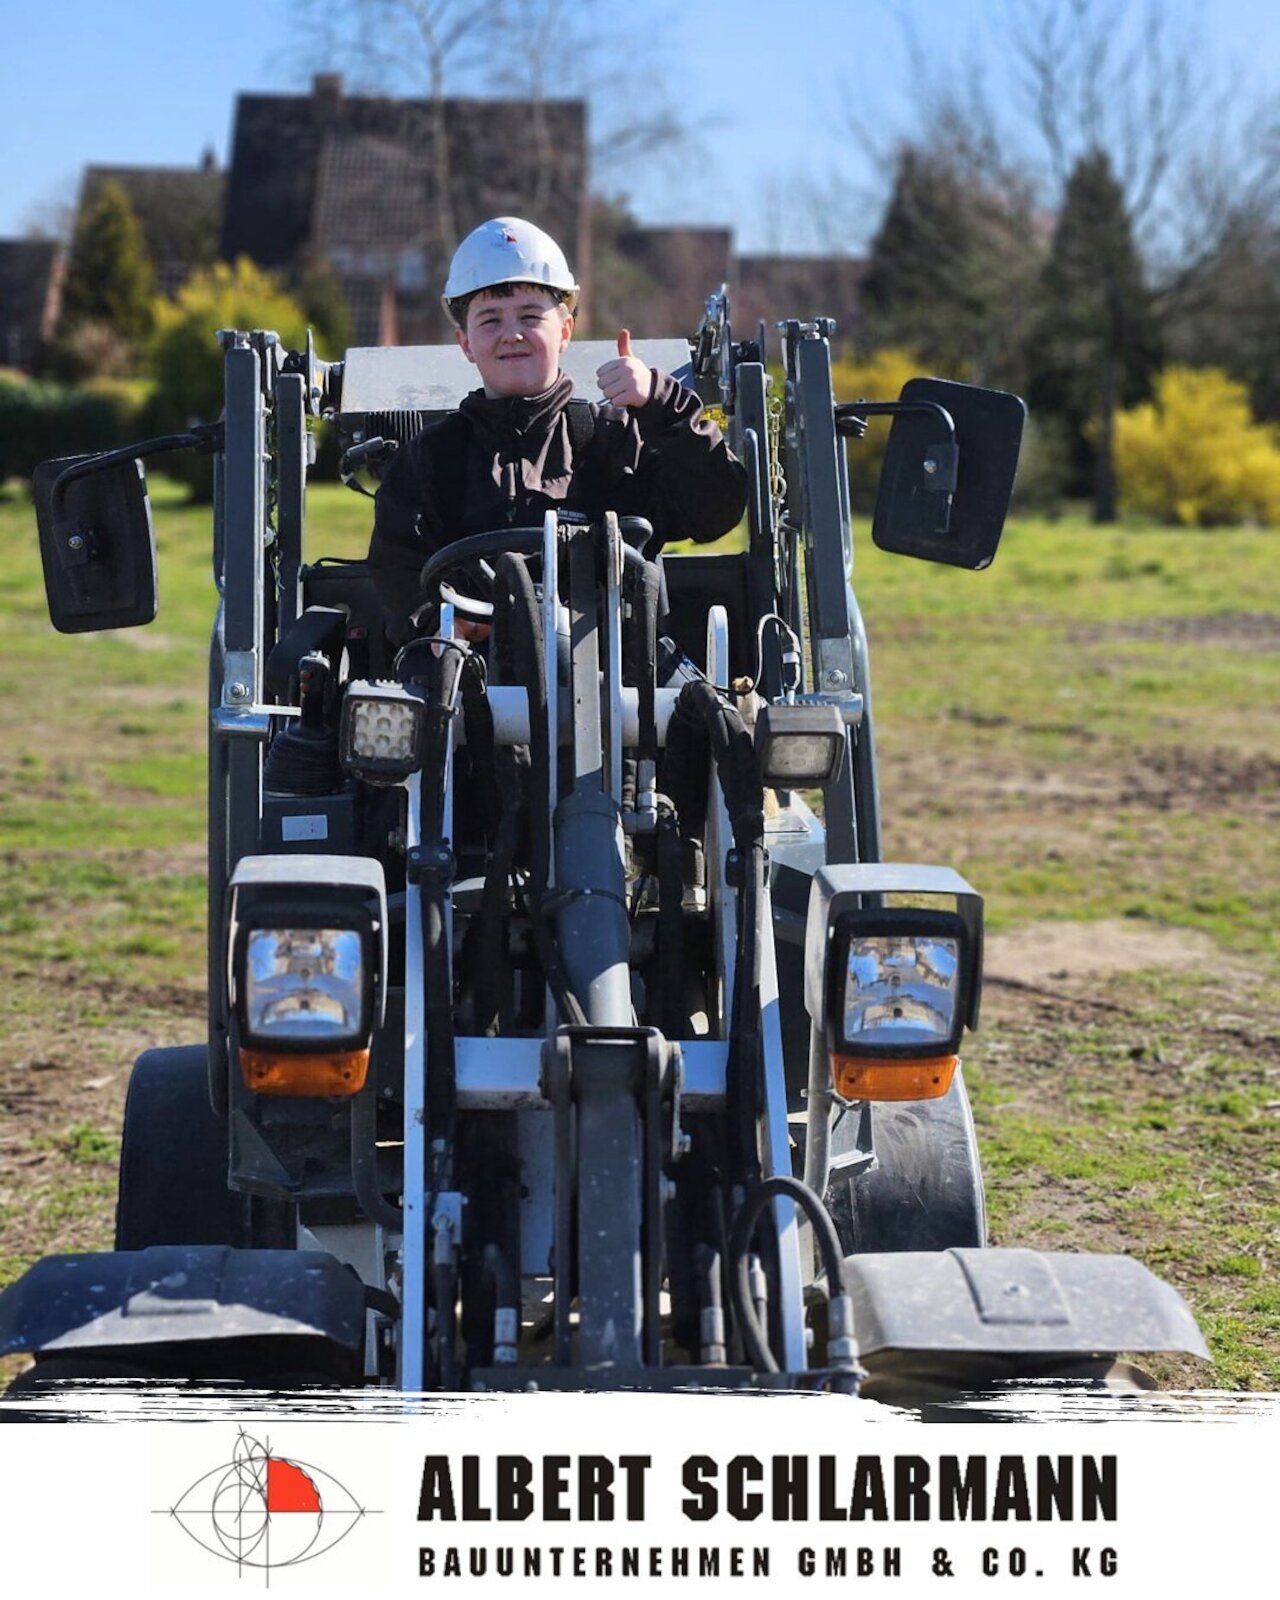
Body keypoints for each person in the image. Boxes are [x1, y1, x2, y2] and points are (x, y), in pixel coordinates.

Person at [366, 216, 747, 644]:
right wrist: (441, 624)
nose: (511, 334)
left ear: (565, 331)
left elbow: (716, 510)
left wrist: (661, 402)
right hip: (469, 685)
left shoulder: (615, 439)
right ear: (465, 344)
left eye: (530, 316)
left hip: (620, 686)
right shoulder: (430, 459)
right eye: (490, 320)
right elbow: (397, 569)